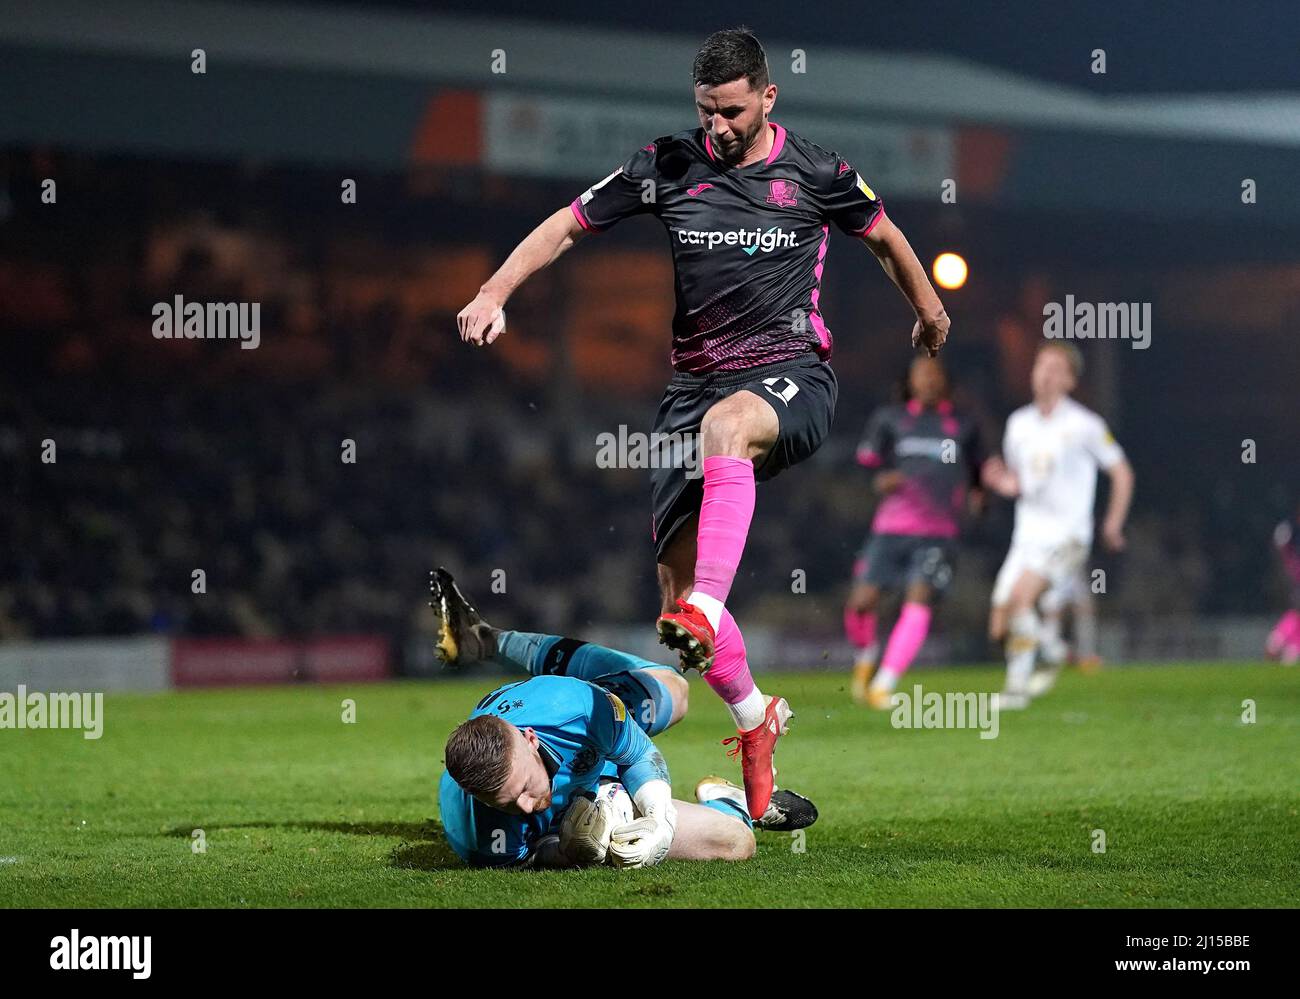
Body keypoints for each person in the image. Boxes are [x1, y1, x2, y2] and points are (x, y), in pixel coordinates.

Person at [455, 27, 950, 817]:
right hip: (690, 390)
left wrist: (928, 312)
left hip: (792, 375)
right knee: (672, 592)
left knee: (727, 443)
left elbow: (884, 237)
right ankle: (756, 722)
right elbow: (565, 224)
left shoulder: (817, 172)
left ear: (767, 97)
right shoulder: (667, 165)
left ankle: (709, 607)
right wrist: (493, 291)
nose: (716, 127)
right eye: (705, 111)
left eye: (730, 111)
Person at [430, 569, 817, 868]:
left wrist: (659, 822)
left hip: (588, 729)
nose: (529, 805)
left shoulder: (573, 707)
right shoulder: (478, 836)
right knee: (736, 843)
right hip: (583, 806)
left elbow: (637, 755)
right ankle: (726, 798)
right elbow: (528, 858)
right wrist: (565, 849)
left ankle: (488, 641)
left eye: (526, 788)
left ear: (531, 739)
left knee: (675, 691)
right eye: (508, 803)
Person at [982, 343, 1135, 708]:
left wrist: (1112, 523)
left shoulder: (1085, 425)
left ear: (1069, 379)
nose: (1045, 373)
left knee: (1021, 600)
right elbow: (1021, 483)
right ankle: (1051, 648)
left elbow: (1121, 472)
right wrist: (1002, 483)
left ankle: (1021, 683)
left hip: (1067, 535)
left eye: (1055, 367)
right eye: (1040, 365)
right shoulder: (1018, 424)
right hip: (1026, 537)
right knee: (999, 625)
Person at [844, 357, 984, 708]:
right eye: (921, 374)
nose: (929, 380)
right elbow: (863, 468)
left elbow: (981, 470)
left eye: (935, 373)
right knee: (860, 605)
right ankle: (867, 656)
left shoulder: (963, 424)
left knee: (918, 597)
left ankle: (884, 684)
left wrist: (979, 498)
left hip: (939, 532)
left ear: (945, 381)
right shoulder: (890, 420)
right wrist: (879, 481)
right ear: (909, 381)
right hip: (891, 528)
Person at [1266, 505, 1300, 664]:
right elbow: (1284, 557)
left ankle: (1286, 646)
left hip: (1292, 581)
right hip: (1292, 583)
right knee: (1295, 614)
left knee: (1296, 615)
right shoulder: (1288, 531)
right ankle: (1281, 642)